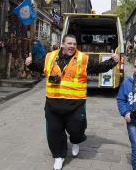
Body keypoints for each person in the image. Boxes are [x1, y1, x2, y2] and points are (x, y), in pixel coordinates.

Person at [25, 34, 119, 170]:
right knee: (54, 131)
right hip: (53, 102)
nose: (72, 46)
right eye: (69, 43)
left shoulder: (82, 58)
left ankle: (75, 140)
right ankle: (58, 156)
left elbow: (98, 67)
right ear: (62, 44)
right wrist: (30, 64)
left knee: (76, 129)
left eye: (74, 44)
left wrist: (113, 61)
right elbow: (38, 66)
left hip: (75, 103)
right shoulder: (50, 57)